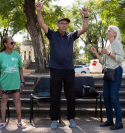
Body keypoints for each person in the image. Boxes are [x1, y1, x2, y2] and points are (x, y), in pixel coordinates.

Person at [35, 1, 88, 129]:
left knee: (70, 96)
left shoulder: (71, 36)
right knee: (55, 95)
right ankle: (54, 119)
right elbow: (41, 23)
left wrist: (86, 16)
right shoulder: (52, 34)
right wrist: (39, 11)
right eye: (62, 23)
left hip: (69, 69)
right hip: (56, 69)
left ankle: (71, 118)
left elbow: (84, 28)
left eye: (66, 24)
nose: (65, 25)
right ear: (58, 25)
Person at [91, 26, 124, 130]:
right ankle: (110, 120)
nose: (107, 32)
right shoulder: (107, 44)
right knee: (106, 96)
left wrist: (108, 53)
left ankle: (119, 122)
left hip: (116, 71)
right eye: (107, 30)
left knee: (114, 97)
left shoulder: (117, 43)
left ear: (114, 33)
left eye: (109, 31)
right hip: (108, 72)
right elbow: (104, 62)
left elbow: (120, 59)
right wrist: (96, 53)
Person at [0, 36, 26, 129]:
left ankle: (19, 122)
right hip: (4, 83)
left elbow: (20, 69)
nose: (13, 44)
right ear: (5, 44)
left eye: (14, 42)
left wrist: (22, 81)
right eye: (11, 43)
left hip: (15, 82)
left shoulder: (17, 55)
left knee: (17, 100)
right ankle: (3, 122)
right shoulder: (0, 56)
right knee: (3, 101)